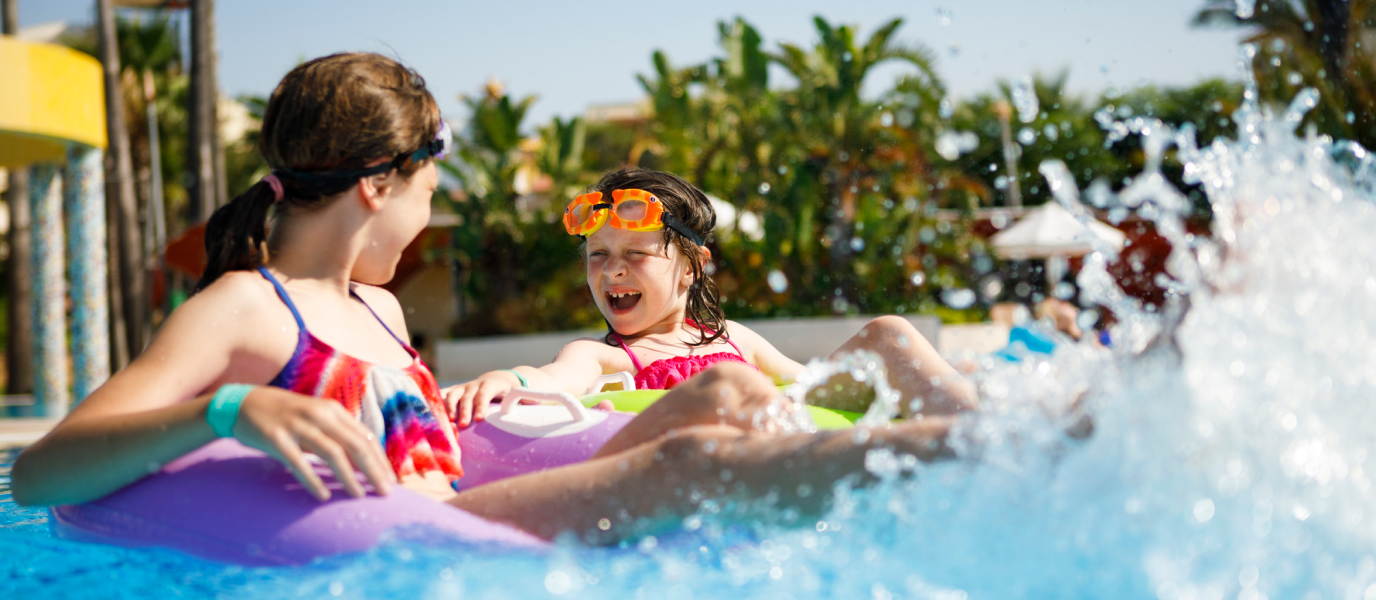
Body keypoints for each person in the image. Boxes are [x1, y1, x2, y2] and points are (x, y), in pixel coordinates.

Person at [11, 54, 972, 546]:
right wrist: (228, 408)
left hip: (462, 509)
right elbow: (37, 475)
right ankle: (998, 454)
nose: (431, 218)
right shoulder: (247, 309)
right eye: (431, 189)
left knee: (726, 401)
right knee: (682, 461)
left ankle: (960, 455)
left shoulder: (380, 310)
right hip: (421, 535)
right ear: (379, 185)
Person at [445, 168, 977, 456]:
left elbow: (816, 384)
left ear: (693, 267)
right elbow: (556, 378)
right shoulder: (604, 356)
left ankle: (987, 431)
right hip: (725, 457)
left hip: (787, 428)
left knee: (888, 333)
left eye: (635, 255)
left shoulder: (734, 338)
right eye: (598, 256)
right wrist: (505, 378)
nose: (612, 272)